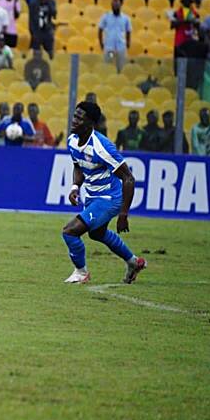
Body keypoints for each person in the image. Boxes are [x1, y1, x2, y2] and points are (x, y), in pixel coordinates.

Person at [61, 101, 148, 285]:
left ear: (90, 123)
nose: (74, 120)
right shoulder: (72, 141)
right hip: (92, 196)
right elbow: (78, 166)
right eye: (74, 115)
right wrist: (75, 187)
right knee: (97, 234)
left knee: (70, 232)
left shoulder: (102, 147)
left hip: (109, 198)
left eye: (79, 118)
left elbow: (129, 179)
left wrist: (124, 213)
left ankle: (81, 272)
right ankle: (134, 262)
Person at [98, 0, 132, 72]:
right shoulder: (106, 17)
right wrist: (101, 43)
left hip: (121, 48)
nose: (115, 6)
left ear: (121, 5)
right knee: (108, 67)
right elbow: (100, 29)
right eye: (114, 4)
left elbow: (128, 31)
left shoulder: (126, 18)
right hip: (110, 48)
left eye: (117, 3)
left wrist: (128, 42)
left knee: (121, 67)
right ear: (111, 6)